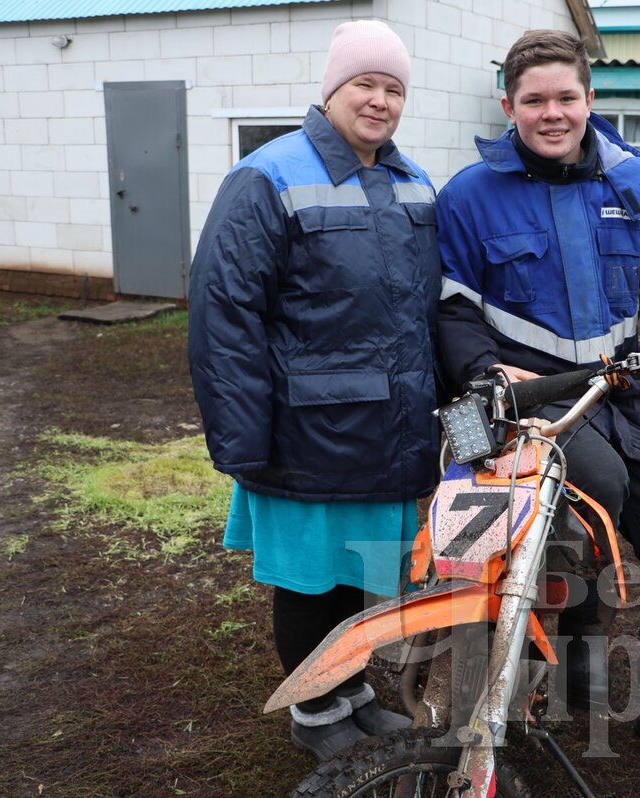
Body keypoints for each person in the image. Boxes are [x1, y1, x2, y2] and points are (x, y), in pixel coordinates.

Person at [435, 29, 640, 776]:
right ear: (509, 106)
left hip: (624, 402)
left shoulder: (637, 189)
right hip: (535, 410)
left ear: (590, 101)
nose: (552, 113)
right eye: (534, 100)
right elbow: (451, 309)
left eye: (566, 97)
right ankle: (567, 657)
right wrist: (487, 375)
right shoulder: (470, 197)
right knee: (591, 502)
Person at [187, 20, 440, 764]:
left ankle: (352, 691)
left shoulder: (412, 181)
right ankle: (314, 709)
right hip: (307, 432)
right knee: (308, 584)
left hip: (390, 427)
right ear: (331, 90)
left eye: (394, 88)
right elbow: (223, 311)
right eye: (365, 83)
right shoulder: (268, 176)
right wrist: (242, 438)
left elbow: (430, 311)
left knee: (363, 576)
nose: (380, 100)